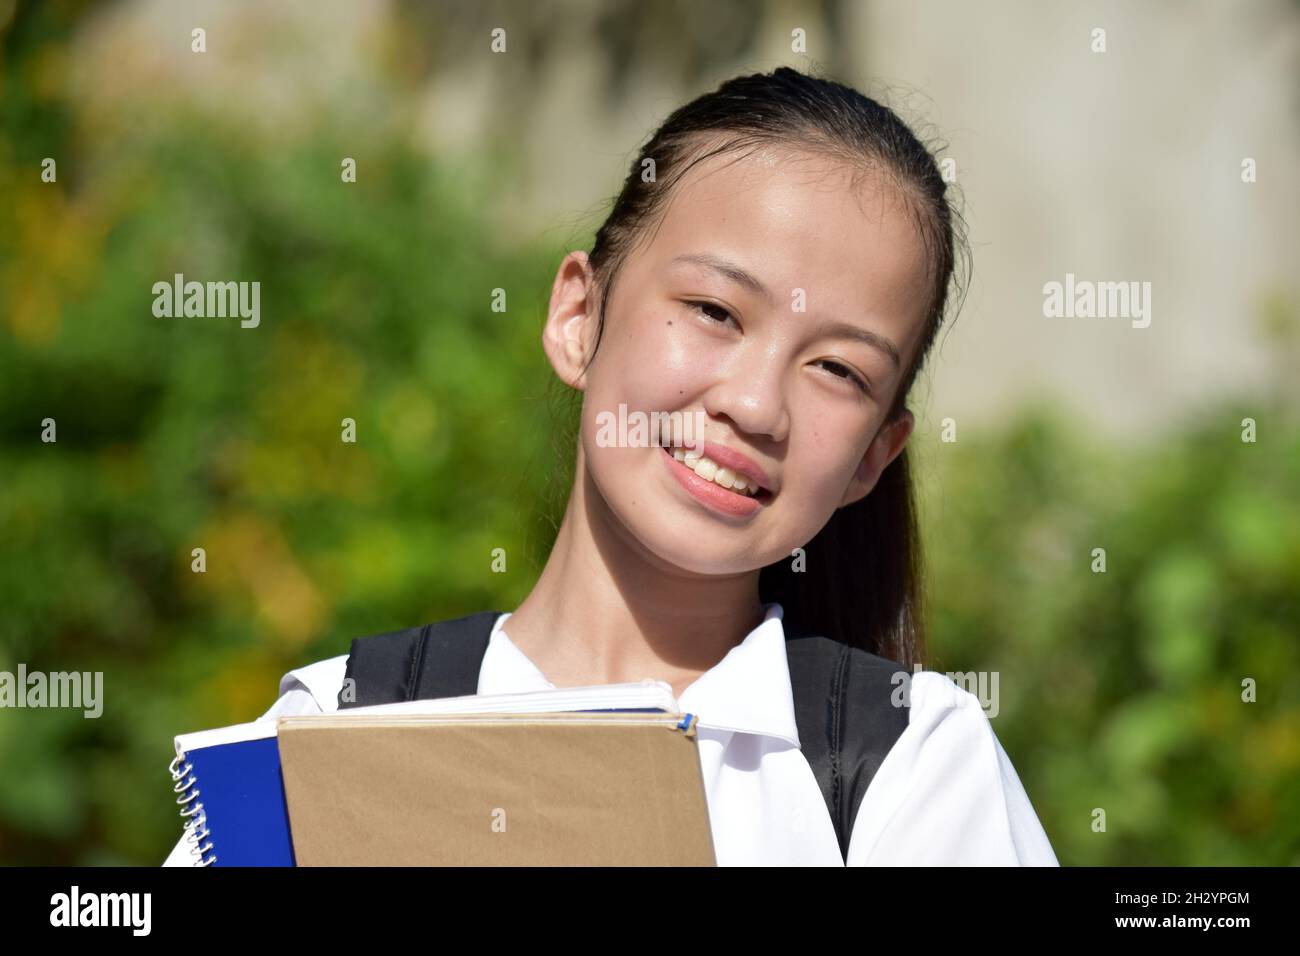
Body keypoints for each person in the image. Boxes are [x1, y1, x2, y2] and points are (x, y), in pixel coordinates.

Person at [165, 66, 1058, 866]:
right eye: (714, 309)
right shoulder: (331, 730)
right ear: (577, 317)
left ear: (874, 454)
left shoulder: (917, 764)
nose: (754, 405)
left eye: (837, 369)